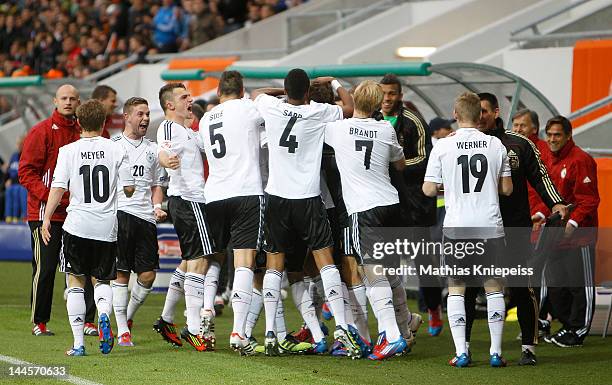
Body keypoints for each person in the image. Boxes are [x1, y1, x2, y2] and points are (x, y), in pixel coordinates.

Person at [251, 69, 361, 357]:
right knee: (325, 262)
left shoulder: (271, 106)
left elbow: (255, 94)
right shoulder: (319, 111)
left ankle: (271, 333)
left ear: (287, 90)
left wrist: (281, 93)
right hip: (309, 198)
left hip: (277, 197)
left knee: (275, 264)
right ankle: (342, 328)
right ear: (309, 92)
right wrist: (333, 83)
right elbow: (349, 107)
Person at [464, 93, 568, 366]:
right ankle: (463, 348)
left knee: (522, 287)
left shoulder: (518, 144)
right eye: (477, 111)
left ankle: (528, 347)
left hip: (513, 228)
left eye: (485, 111)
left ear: (496, 112)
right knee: (469, 287)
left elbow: (540, 175)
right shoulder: (458, 144)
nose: (480, 116)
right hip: (476, 228)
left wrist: (556, 204)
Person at [423, 91, 513, 368]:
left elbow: (427, 189)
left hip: (457, 227)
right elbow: (507, 189)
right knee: (493, 287)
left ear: (456, 114)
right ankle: (496, 352)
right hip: (489, 224)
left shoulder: (443, 147)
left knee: (457, 288)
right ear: (480, 114)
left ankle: (462, 351)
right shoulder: (496, 145)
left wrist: (449, 185)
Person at [40, 99, 135, 356]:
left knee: (75, 282)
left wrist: (47, 217)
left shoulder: (68, 151)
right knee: (102, 280)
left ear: (79, 123)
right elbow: (128, 189)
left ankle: (79, 344)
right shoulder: (117, 149)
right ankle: (104, 314)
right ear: (104, 123)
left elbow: (58, 188)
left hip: (77, 226)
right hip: (106, 226)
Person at [324, 80, 407, 360]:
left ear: (356, 100)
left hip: (364, 208)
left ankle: (392, 336)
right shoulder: (386, 129)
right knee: (391, 272)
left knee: (373, 274)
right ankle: (401, 330)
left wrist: (336, 85)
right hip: (391, 205)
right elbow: (400, 164)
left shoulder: (338, 129)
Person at [19, 84, 96, 337]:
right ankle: (39, 322)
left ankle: (88, 321)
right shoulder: (40, 131)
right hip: (44, 214)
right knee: (47, 267)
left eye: (73, 98)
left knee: (82, 266)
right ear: (55, 100)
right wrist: (51, 198)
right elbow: (26, 173)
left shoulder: (83, 133)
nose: (68, 102)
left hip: (77, 212)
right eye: (64, 98)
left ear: (78, 102)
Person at [198, 70, 265, 355]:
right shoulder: (249, 108)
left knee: (214, 257)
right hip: (246, 191)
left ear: (218, 91)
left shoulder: (205, 118)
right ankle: (238, 331)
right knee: (244, 262)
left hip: (214, 194)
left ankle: (205, 312)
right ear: (242, 89)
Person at [155, 83, 219, 352]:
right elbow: (162, 150)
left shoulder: (188, 131)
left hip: (191, 200)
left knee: (188, 260)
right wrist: (165, 159)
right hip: (189, 200)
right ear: (170, 105)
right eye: (184, 97)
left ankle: (167, 319)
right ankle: (194, 329)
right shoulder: (170, 127)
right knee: (201, 260)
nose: (190, 100)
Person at [534, 115, 599, 348]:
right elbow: (551, 198)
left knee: (579, 285)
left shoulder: (580, 160)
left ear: (568, 135)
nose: (552, 139)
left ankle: (578, 330)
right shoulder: (549, 160)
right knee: (557, 285)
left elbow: (589, 200)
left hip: (579, 236)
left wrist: (573, 225)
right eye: (549, 134)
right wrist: (540, 216)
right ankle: (567, 325)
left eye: (557, 135)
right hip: (554, 234)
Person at [111, 97, 167, 347]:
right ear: (127, 116)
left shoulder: (153, 149)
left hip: (145, 218)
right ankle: (122, 330)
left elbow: (157, 184)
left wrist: (157, 206)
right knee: (121, 273)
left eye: (147, 114)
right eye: (140, 114)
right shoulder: (112, 146)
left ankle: (128, 317)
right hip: (120, 214)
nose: (145, 119)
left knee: (147, 275)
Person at [379, 73, 431, 345]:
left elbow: (425, 158)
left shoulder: (413, 122)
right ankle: (403, 321)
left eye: (392, 94)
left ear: (400, 95)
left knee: (422, 261)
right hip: (384, 203)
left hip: (412, 204)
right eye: (383, 93)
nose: (387, 98)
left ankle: (432, 309)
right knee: (387, 262)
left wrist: (395, 165)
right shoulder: (371, 118)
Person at [4, 135, 27, 223]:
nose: (19, 146)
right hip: (13, 182)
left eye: (21, 144)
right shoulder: (14, 156)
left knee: (20, 190)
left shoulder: (26, 155)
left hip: (22, 183)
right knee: (9, 190)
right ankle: (9, 216)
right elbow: (9, 170)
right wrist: (8, 179)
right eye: (18, 144)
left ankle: (23, 216)